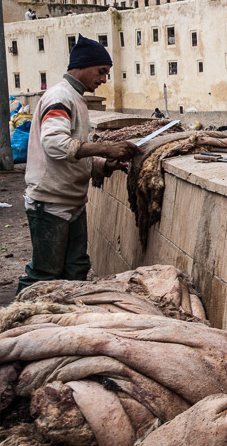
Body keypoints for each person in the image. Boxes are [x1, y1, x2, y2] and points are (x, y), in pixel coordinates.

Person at [19, 35, 140, 292]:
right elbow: (54, 143)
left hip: (71, 202)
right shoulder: (61, 98)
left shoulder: (75, 98)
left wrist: (103, 165)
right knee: (44, 275)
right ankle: (20, 324)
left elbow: (74, 155)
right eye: (101, 72)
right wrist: (107, 148)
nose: (104, 79)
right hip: (51, 204)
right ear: (83, 66)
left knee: (75, 269)